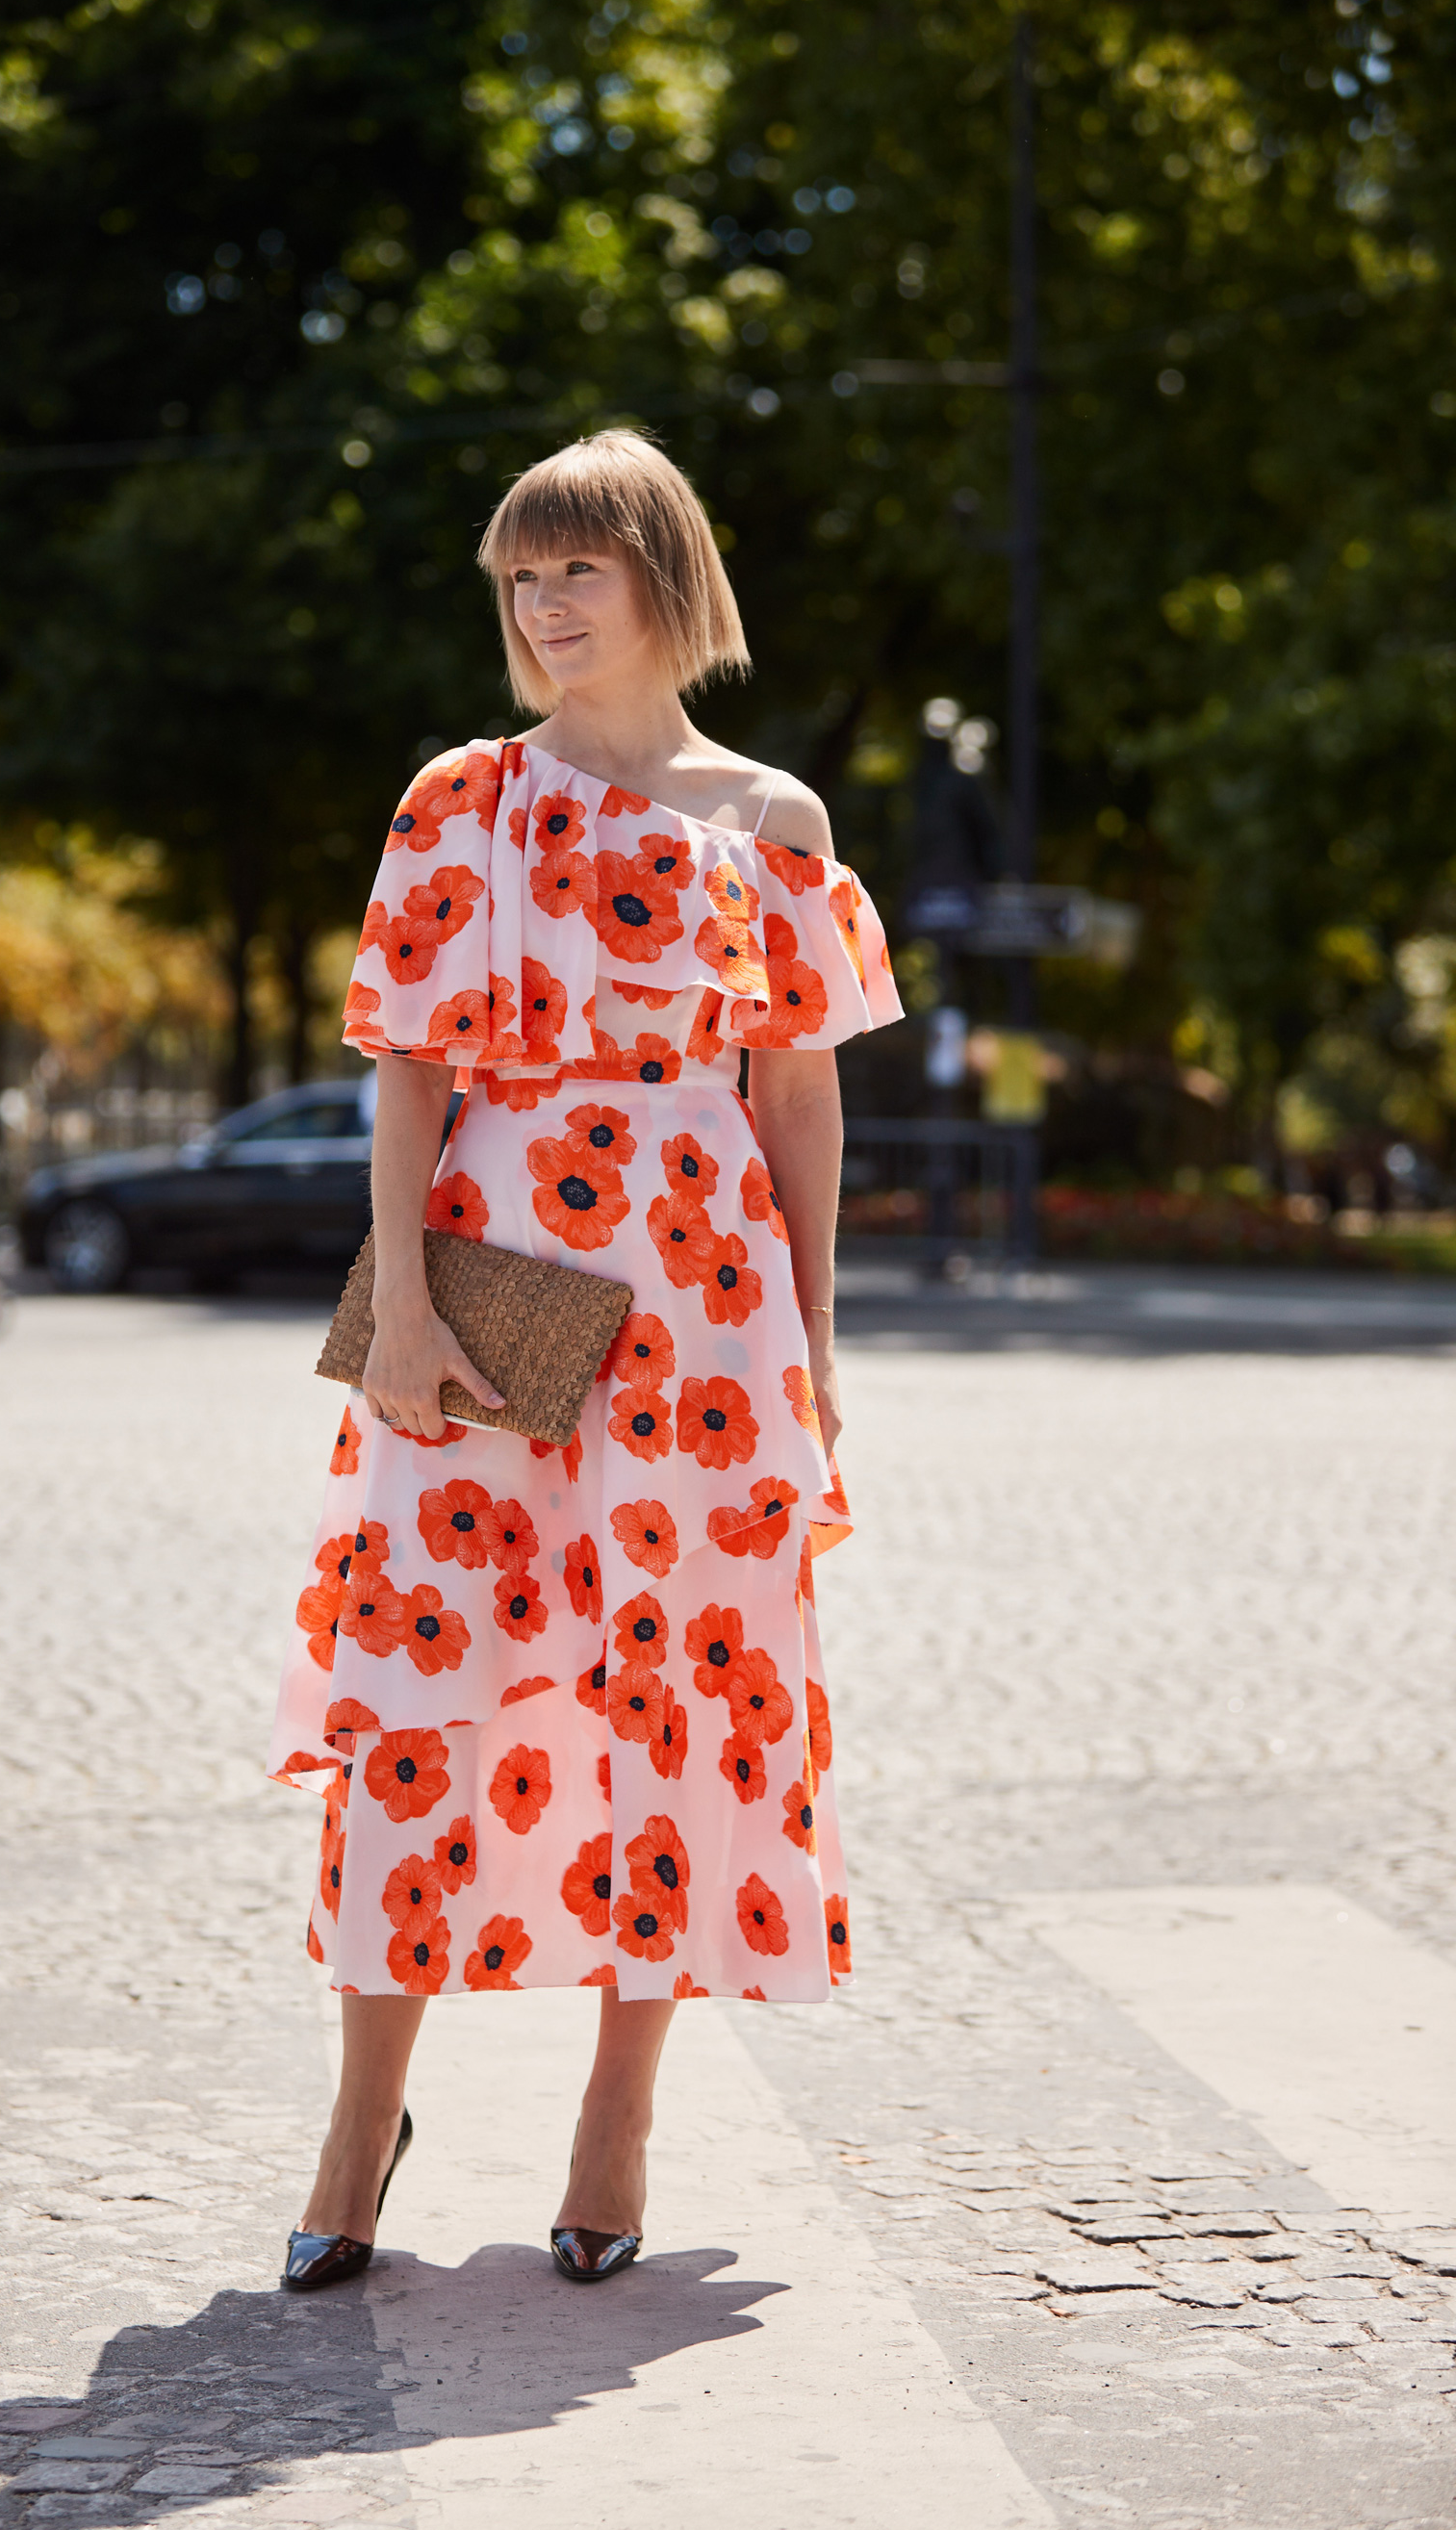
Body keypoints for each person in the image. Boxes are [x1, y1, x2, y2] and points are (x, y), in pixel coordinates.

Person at [268, 428, 905, 2288]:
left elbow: (801, 1105)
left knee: (684, 1687)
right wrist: (397, 1302)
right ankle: (356, 2116)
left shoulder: (771, 822)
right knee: (419, 1673)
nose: (544, 609)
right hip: (485, 1262)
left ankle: (616, 2114)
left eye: (577, 572)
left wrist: (814, 1344)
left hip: (707, 1300)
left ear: (662, 582)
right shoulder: (457, 800)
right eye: (520, 579)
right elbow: (404, 1058)